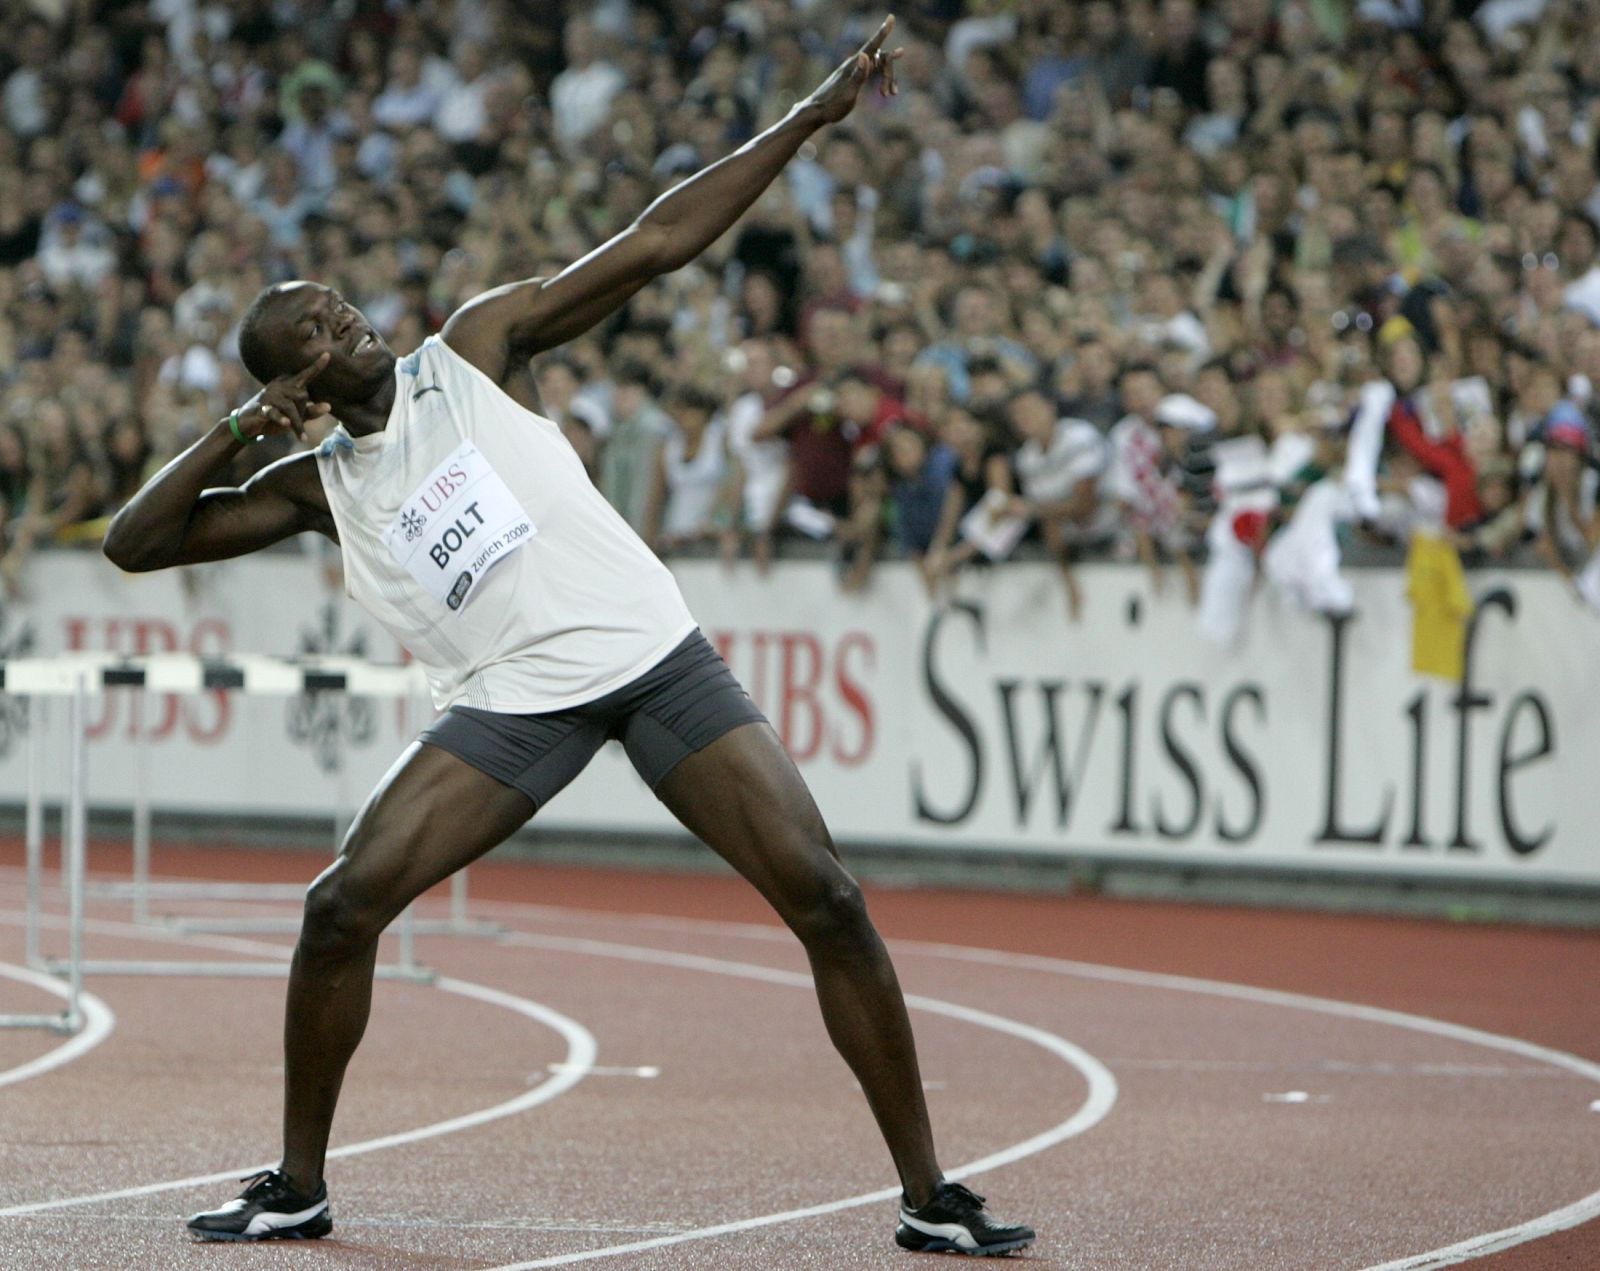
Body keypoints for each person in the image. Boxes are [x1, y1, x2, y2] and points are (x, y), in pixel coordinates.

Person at [100, 18, 1033, 1259]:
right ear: (296, 386)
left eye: (337, 304)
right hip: (511, 702)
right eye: (315, 330)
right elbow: (135, 542)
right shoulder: (317, 486)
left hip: (652, 659)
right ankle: (299, 1183)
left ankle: (928, 1193)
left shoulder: (475, 350)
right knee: (338, 907)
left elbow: (654, 242)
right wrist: (233, 433)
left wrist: (810, 116)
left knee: (827, 896)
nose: (345, 319)